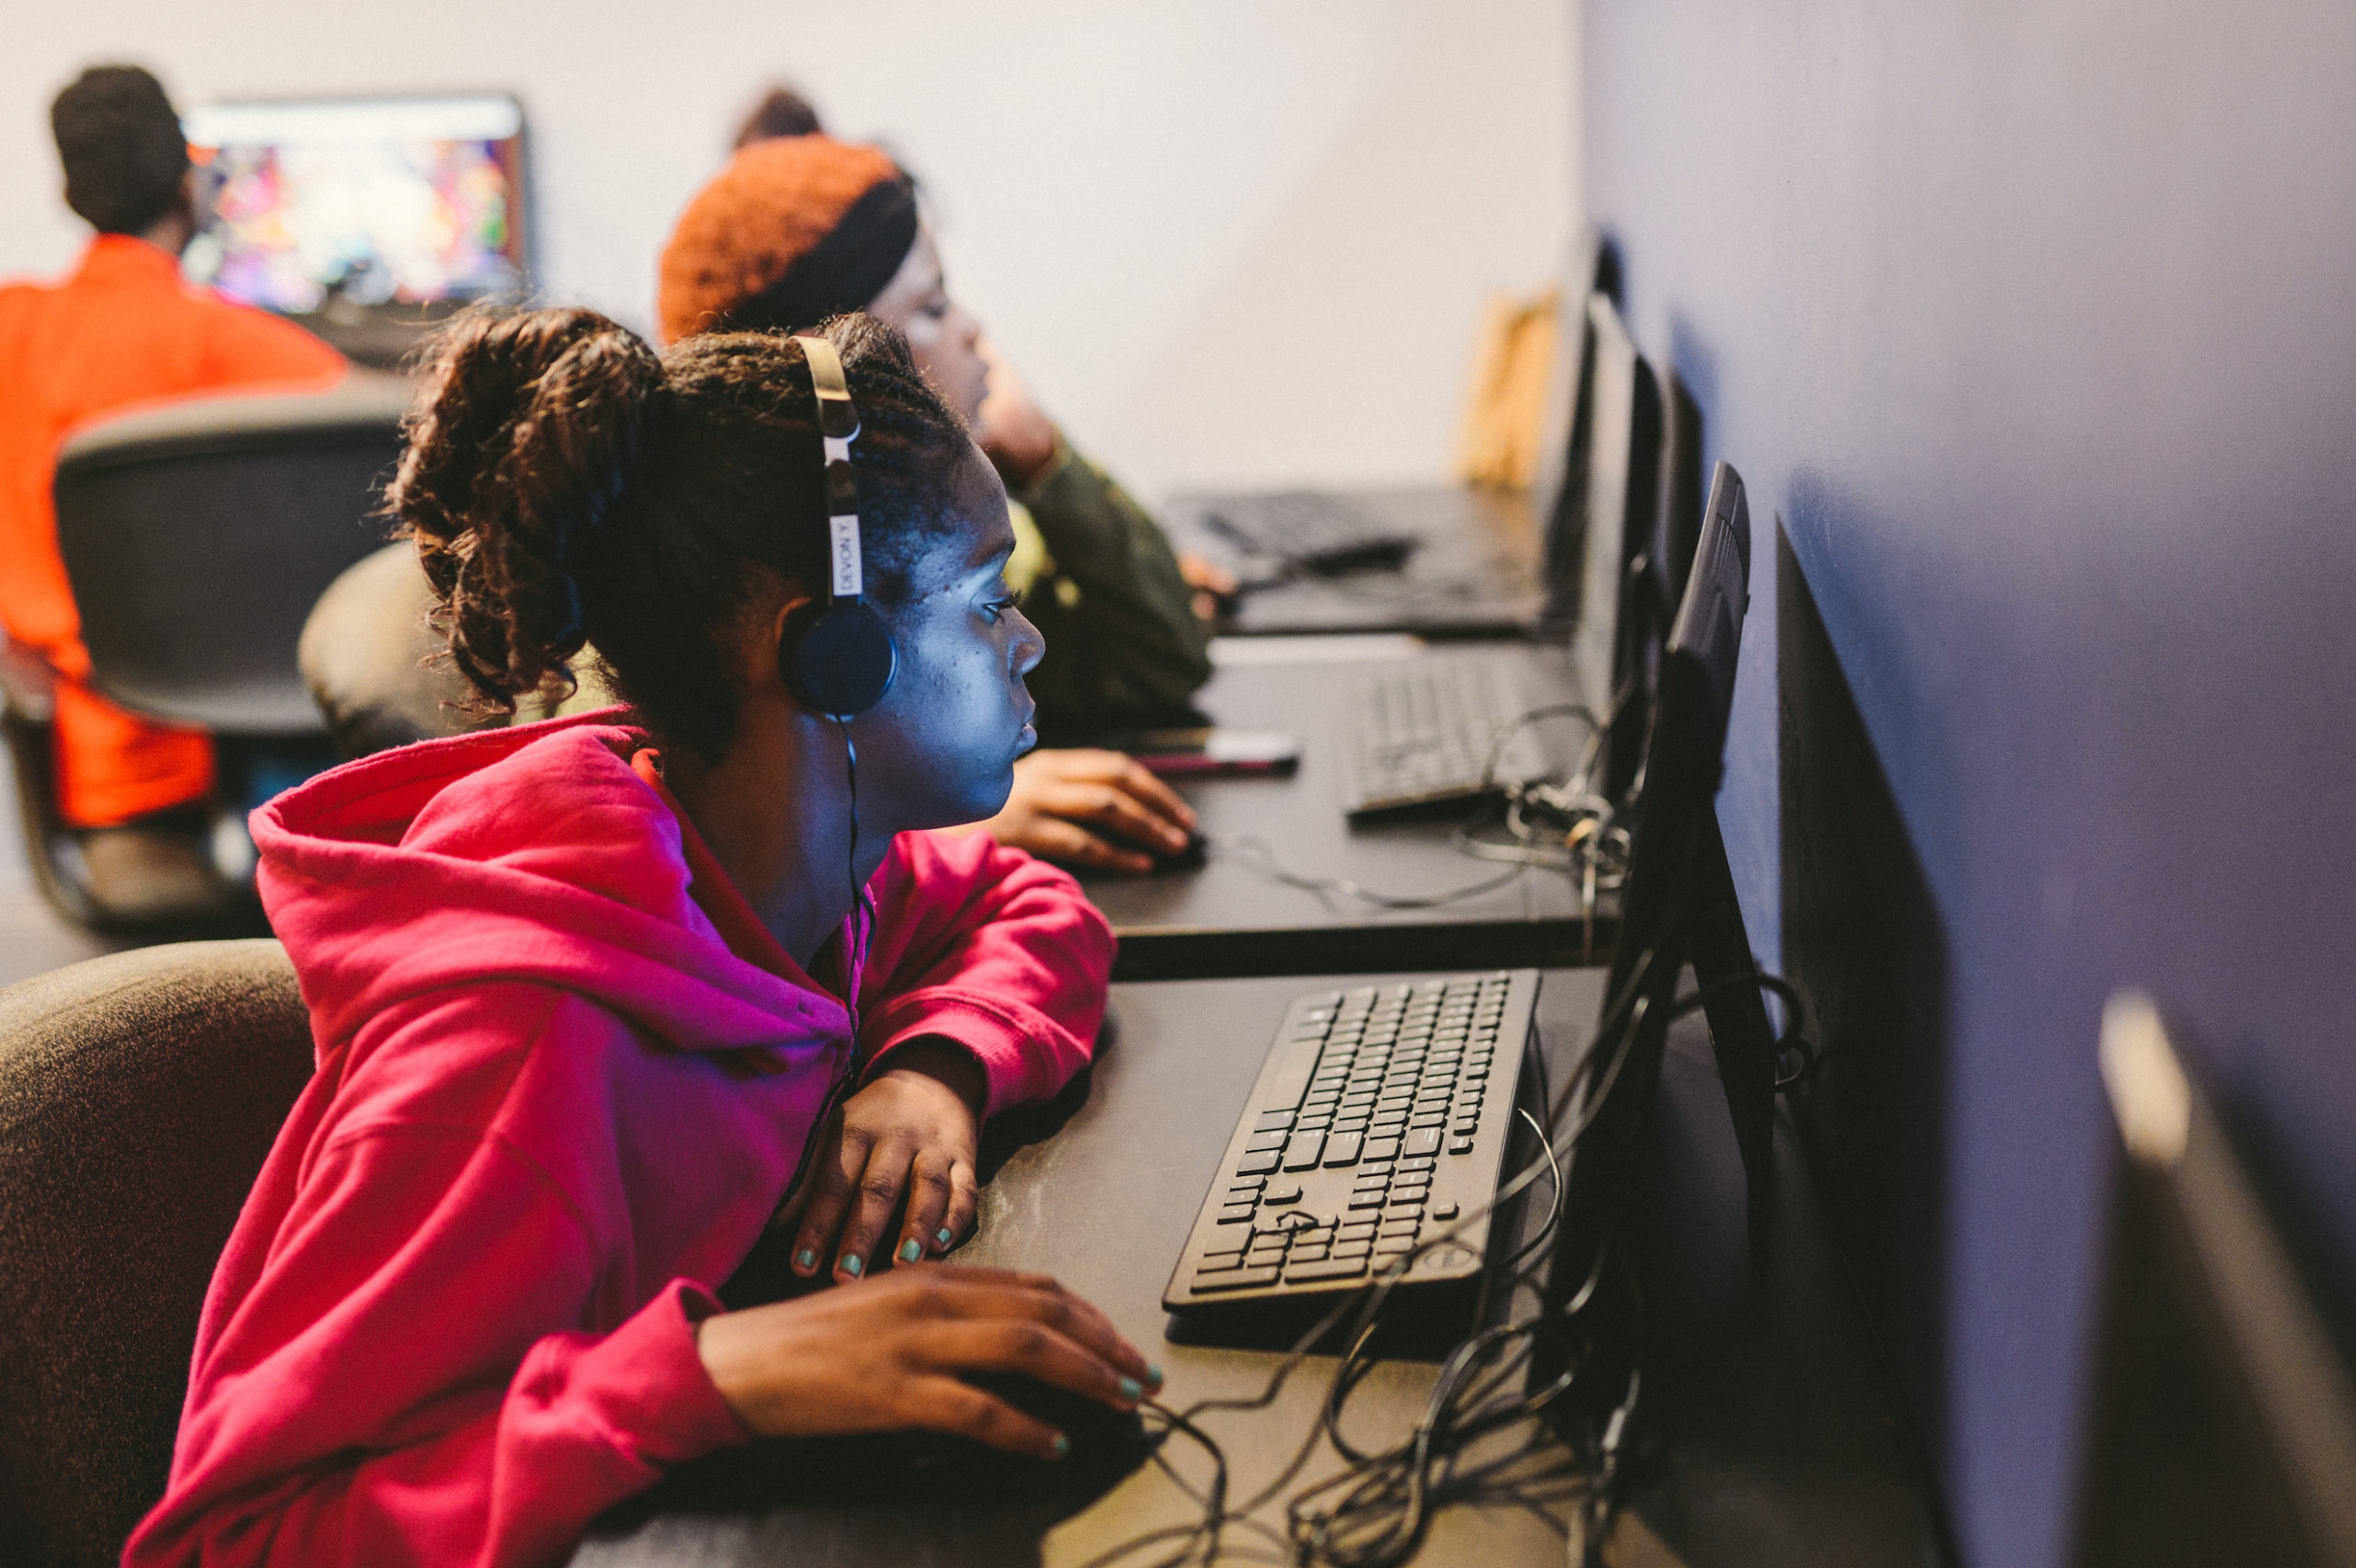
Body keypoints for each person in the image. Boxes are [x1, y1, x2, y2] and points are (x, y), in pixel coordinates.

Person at [123, 309, 1157, 1565]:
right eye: (984, 600)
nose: (1027, 638)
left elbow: (1024, 905)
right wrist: (704, 1375)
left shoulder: (799, 870)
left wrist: (935, 1066)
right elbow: (236, 1539)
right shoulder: (516, 1064)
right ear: (833, 655)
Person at [659, 133, 1224, 874]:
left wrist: (1046, 462)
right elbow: (677, 844)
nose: (972, 329)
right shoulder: (665, 600)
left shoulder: (918, 554)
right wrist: (931, 832)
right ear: (824, 367)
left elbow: (1162, 663)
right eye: (930, 306)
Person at [0, 66, 342, 872]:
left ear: (71, 193)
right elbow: (391, 411)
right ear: (188, 178)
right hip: (283, 770)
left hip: (103, 782)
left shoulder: (12, 327)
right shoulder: (223, 341)